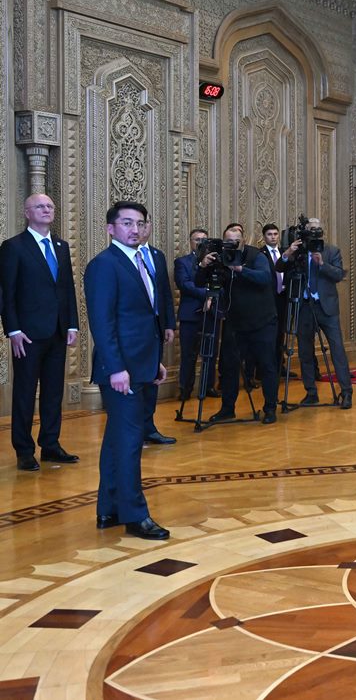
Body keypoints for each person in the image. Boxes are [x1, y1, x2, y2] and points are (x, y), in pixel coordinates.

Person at [84, 201, 170, 540]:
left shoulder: (140, 261)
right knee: (131, 441)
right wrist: (117, 368)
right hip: (120, 371)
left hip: (140, 365)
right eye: (126, 223)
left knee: (117, 439)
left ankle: (108, 508)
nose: (135, 229)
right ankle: (136, 516)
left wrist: (153, 361)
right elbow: (102, 323)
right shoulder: (104, 265)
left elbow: (142, 319)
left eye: (139, 223)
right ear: (110, 229)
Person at [0, 194, 80, 471]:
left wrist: (72, 324)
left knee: (53, 392)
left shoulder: (61, 246)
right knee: (25, 393)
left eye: (50, 206)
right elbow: (6, 292)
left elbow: (67, 288)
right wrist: (13, 330)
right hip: (27, 335)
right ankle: (24, 450)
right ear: (27, 213)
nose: (46, 210)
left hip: (58, 331)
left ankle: (50, 445)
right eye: (40, 206)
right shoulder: (13, 247)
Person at [196, 223, 279, 424]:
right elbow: (200, 282)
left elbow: (265, 278)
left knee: (267, 365)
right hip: (235, 322)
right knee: (229, 366)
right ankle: (227, 408)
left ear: (243, 240)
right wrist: (203, 266)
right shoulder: (220, 258)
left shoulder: (256, 255)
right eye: (229, 241)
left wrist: (240, 269)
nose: (232, 244)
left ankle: (270, 408)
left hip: (262, 320)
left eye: (236, 241)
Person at [277, 216, 353, 409]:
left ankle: (346, 392)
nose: (314, 233)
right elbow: (279, 267)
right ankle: (311, 392)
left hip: (326, 307)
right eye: (310, 229)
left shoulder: (331, 250)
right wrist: (288, 252)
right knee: (305, 351)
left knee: (337, 349)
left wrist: (322, 264)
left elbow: (339, 275)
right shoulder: (298, 251)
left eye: (317, 229)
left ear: (322, 232)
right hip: (304, 306)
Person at [137, 215, 176, 446]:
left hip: (157, 328)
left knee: (153, 379)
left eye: (145, 223)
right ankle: (135, 430)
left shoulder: (157, 255)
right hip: (135, 331)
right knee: (137, 381)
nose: (141, 228)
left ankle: (149, 428)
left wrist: (169, 323)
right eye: (136, 223)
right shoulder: (124, 257)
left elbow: (165, 293)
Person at [174, 228, 217, 400]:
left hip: (211, 314)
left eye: (204, 240)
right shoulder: (182, 262)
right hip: (190, 315)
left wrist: (212, 298)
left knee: (210, 353)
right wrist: (207, 294)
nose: (200, 243)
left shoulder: (215, 261)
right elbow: (184, 284)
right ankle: (185, 389)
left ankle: (208, 387)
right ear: (190, 242)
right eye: (197, 239)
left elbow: (220, 283)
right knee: (188, 355)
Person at [261, 223, 288, 367]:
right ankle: (265, 368)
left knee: (281, 333)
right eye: (269, 234)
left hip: (283, 298)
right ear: (264, 237)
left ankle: (279, 366)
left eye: (275, 234)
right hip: (268, 299)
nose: (273, 237)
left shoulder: (285, 253)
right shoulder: (260, 254)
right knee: (268, 334)